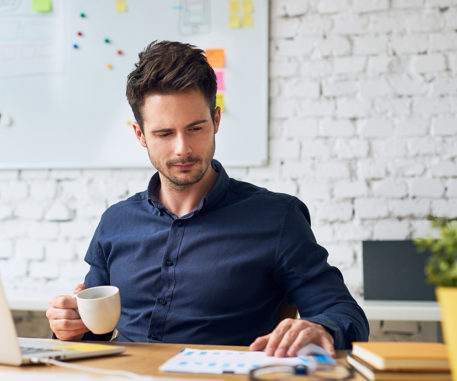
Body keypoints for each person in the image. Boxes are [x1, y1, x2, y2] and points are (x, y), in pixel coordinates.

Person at [46, 40, 369, 357]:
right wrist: (71, 323)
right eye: (164, 134)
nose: (182, 148)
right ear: (140, 135)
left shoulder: (277, 217)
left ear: (216, 120)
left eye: (196, 128)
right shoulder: (115, 222)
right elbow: (93, 330)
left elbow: (344, 313)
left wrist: (322, 327)